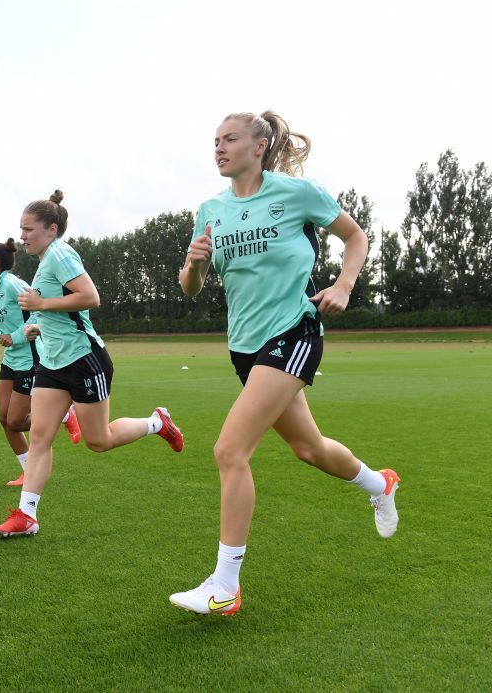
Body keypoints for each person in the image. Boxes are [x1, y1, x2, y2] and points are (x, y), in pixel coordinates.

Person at [170, 110, 401, 616]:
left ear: (259, 145)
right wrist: (194, 263)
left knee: (230, 450)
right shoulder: (210, 208)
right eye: (214, 141)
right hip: (244, 348)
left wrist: (343, 285)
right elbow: (192, 289)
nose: (219, 148)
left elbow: (356, 237)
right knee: (310, 448)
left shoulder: (296, 193)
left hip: (293, 333)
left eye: (229, 139)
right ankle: (379, 484)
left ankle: (225, 586)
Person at [0, 191, 184, 538]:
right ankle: (26, 515)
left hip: (84, 360)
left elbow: (91, 297)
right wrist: (37, 325)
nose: (22, 236)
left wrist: (42, 304)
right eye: (21, 229)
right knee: (39, 435)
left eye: (28, 229)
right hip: (51, 363)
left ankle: (157, 423)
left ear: (51, 228)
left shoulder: (61, 254)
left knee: (99, 441)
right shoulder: (46, 259)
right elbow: (60, 310)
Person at [0, 238, 82, 487]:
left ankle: (63, 415)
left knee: (16, 421)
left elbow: (39, 312)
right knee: (4, 419)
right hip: (10, 361)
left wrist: (15, 336)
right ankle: (27, 471)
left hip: (30, 358)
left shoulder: (13, 284)